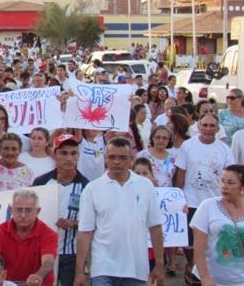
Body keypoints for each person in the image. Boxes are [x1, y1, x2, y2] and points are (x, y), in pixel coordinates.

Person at [75, 137, 164, 286]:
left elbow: (155, 227)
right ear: (105, 159)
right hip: (103, 268)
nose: (117, 162)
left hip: (136, 269)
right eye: (112, 157)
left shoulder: (146, 186)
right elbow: (85, 232)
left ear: (131, 159)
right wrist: (79, 272)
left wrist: (160, 264)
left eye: (122, 157)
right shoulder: (92, 189)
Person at [174, 113, 236, 280]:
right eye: (205, 125)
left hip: (215, 203)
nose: (208, 129)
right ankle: (193, 268)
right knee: (189, 241)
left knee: (211, 241)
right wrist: (178, 198)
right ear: (199, 127)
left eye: (211, 126)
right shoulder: (188, 146)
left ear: (217, 128)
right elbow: (181, 173)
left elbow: (230, 176)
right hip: (191, 201)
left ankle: (203, 272)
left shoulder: (224, 149)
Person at [33, 134, 88, 286]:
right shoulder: (41, 182)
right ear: (54, 154)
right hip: (41, 252)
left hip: (71, 254)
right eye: (64, 153)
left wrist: (74, 223)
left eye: (73, 153)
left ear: (78, 155)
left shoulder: (87, 187)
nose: (69, 158)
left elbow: (94, 222)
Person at [0, 188, 57, 286]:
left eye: (28, 210)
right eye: (19, 210)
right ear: (11, 209)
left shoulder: (49, 234)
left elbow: (48, 262)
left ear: (38, 211)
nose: (23, 215)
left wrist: (38, 276)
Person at [190, 164, 244, 286]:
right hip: (211, 281)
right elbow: (198, 249)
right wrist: (205, 278)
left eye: (230, 183)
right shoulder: (207, 207)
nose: (224, 187)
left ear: (242, 187)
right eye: (223, 181)